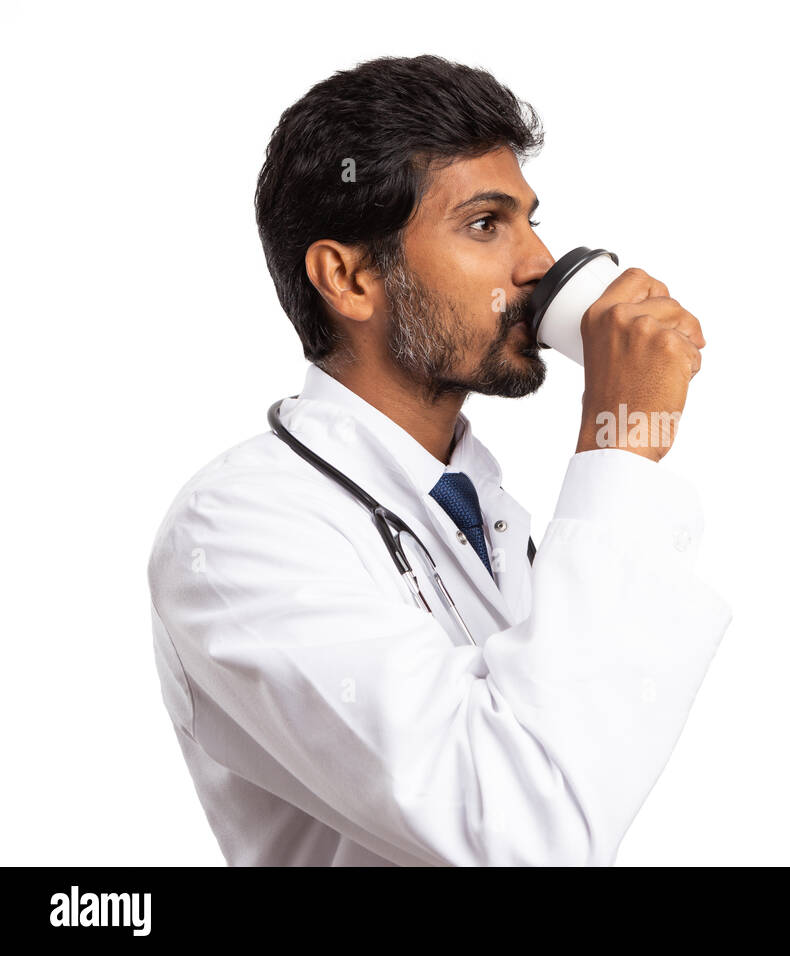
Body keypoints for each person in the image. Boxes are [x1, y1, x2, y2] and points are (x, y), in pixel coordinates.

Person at [146, 54, 732, 866]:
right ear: (348, 278)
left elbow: (582, 770)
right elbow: (519, 832)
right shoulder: (241, 527)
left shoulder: (484, 511)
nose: (538, 263)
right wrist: (621, 443)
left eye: (530, 219)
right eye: (487, 224)